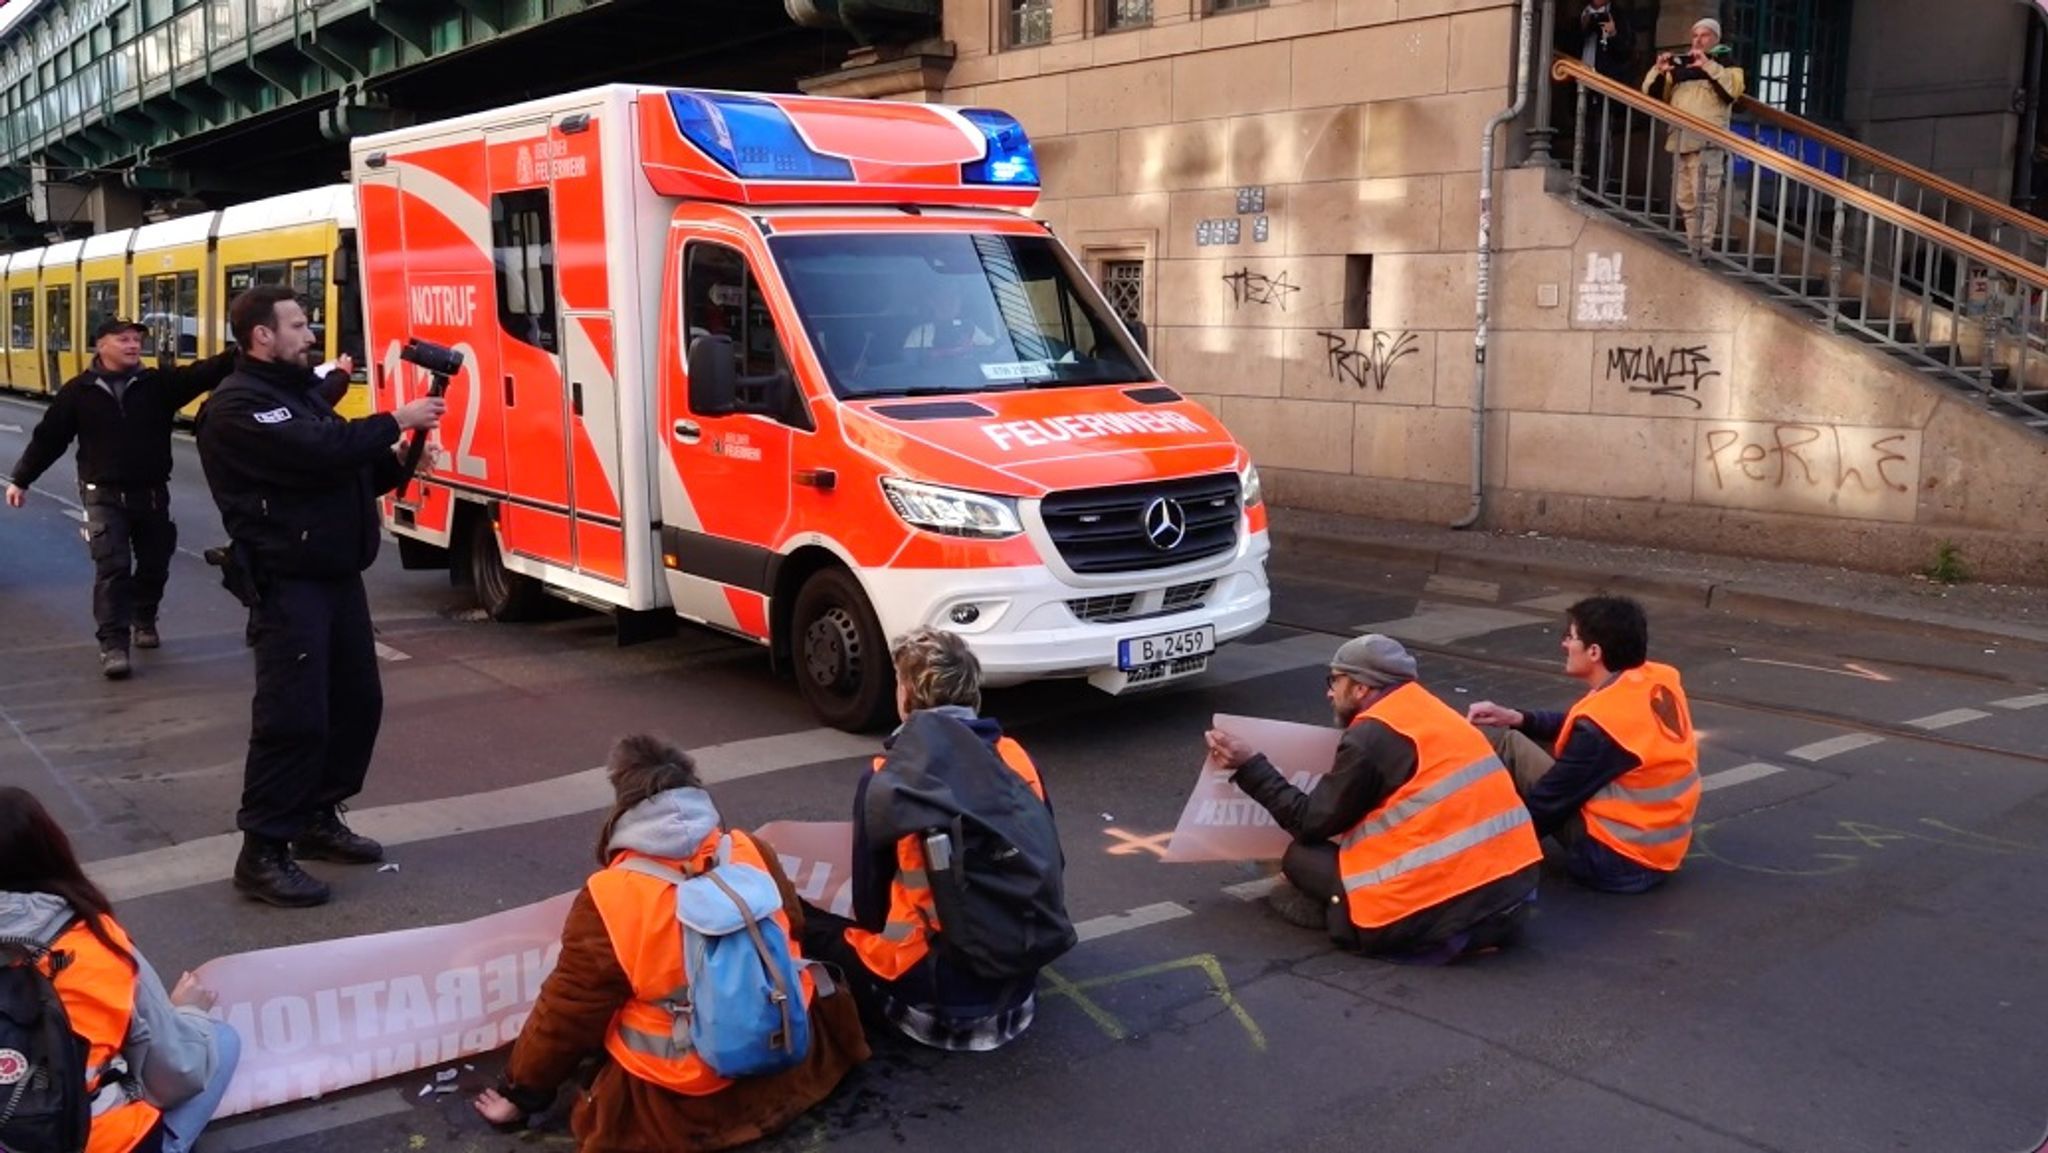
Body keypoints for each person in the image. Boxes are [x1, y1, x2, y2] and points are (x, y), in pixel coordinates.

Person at [472, 735, 868, 1151]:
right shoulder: (751, 850)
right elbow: (796, 929)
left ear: (623, 808)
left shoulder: (610, 896)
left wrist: (520, 1094)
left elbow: (567, 1012)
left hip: (685, 1103)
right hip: (794, 1062)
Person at [195, 284, 444, 908]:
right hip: (288, 583)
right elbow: (314, 452)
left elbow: (347, 468)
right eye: (300, 326)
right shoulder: (239, 407)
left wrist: (403, 455)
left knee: (356, 703)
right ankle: (262, 851)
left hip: (335, 577)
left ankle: (315, 816)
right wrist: (396, 420)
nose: (311, 337)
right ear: (262, 336)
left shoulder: (297, 394)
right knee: (293, 716)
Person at [1205, 635, 1543, 963]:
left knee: (1299, 856)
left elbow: (1309, 822)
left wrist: (1249, 766)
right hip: (1514, 900)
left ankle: (1340, 912)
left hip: (1441, 913)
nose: (1328, 691)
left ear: (1360, 688)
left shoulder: (1373, 735)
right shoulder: (1433, 712)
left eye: (1334, 680)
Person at [801, 627, 1058, 1051]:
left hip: (934, 1002)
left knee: (819, 930)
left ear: (906, 697)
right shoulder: (1016, 757)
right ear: (973, 692)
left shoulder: (889, 778)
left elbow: (870, 903)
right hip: (1020, 976)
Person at [0, 786, 241, 1153]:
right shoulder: (93, 938)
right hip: (92, 1140)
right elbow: (173, 1075)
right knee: (220, 1039)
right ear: (50, 849)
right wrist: (188, 1012)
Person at [4, 320, 236, 678]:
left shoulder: (158, 385)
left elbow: (205, 374)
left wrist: (244, 346)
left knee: (154, 563)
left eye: (136, 339)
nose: (132, 345)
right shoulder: (78, 392)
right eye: (123, 339)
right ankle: (113, 644)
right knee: (112, 567)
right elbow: (49, 439)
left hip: (153, 493)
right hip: (103, 494)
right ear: (101, 345)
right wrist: (21, 479)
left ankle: (144, 616)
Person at [1466, 595, 1701, 894]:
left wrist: (1486, 856)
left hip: (1614, 863)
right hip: (1659, 848)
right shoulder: (1655, 680)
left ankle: (1468, 833)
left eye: (1571, 636)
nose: (1564, 644)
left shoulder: (1601, 726)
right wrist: (1518, 717)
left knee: (1507, 743)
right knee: (1522, 734)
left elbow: (1549, 802)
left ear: (1594, 652)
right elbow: (1583, 730)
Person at [1644, 17, 1746, 248]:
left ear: (1716, 39)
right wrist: (1660, 71)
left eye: (1705, 35)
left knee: (1705, 199)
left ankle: (1703, 247)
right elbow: (1651, 95)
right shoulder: (1681, 67)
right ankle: (1694, 245)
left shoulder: (1727, 64)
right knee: (1686, 200)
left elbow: (1732, 92)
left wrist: (1707, 65)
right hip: (1681, 140)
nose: (1698, 41)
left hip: (1708, 142)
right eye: (1695, 36)